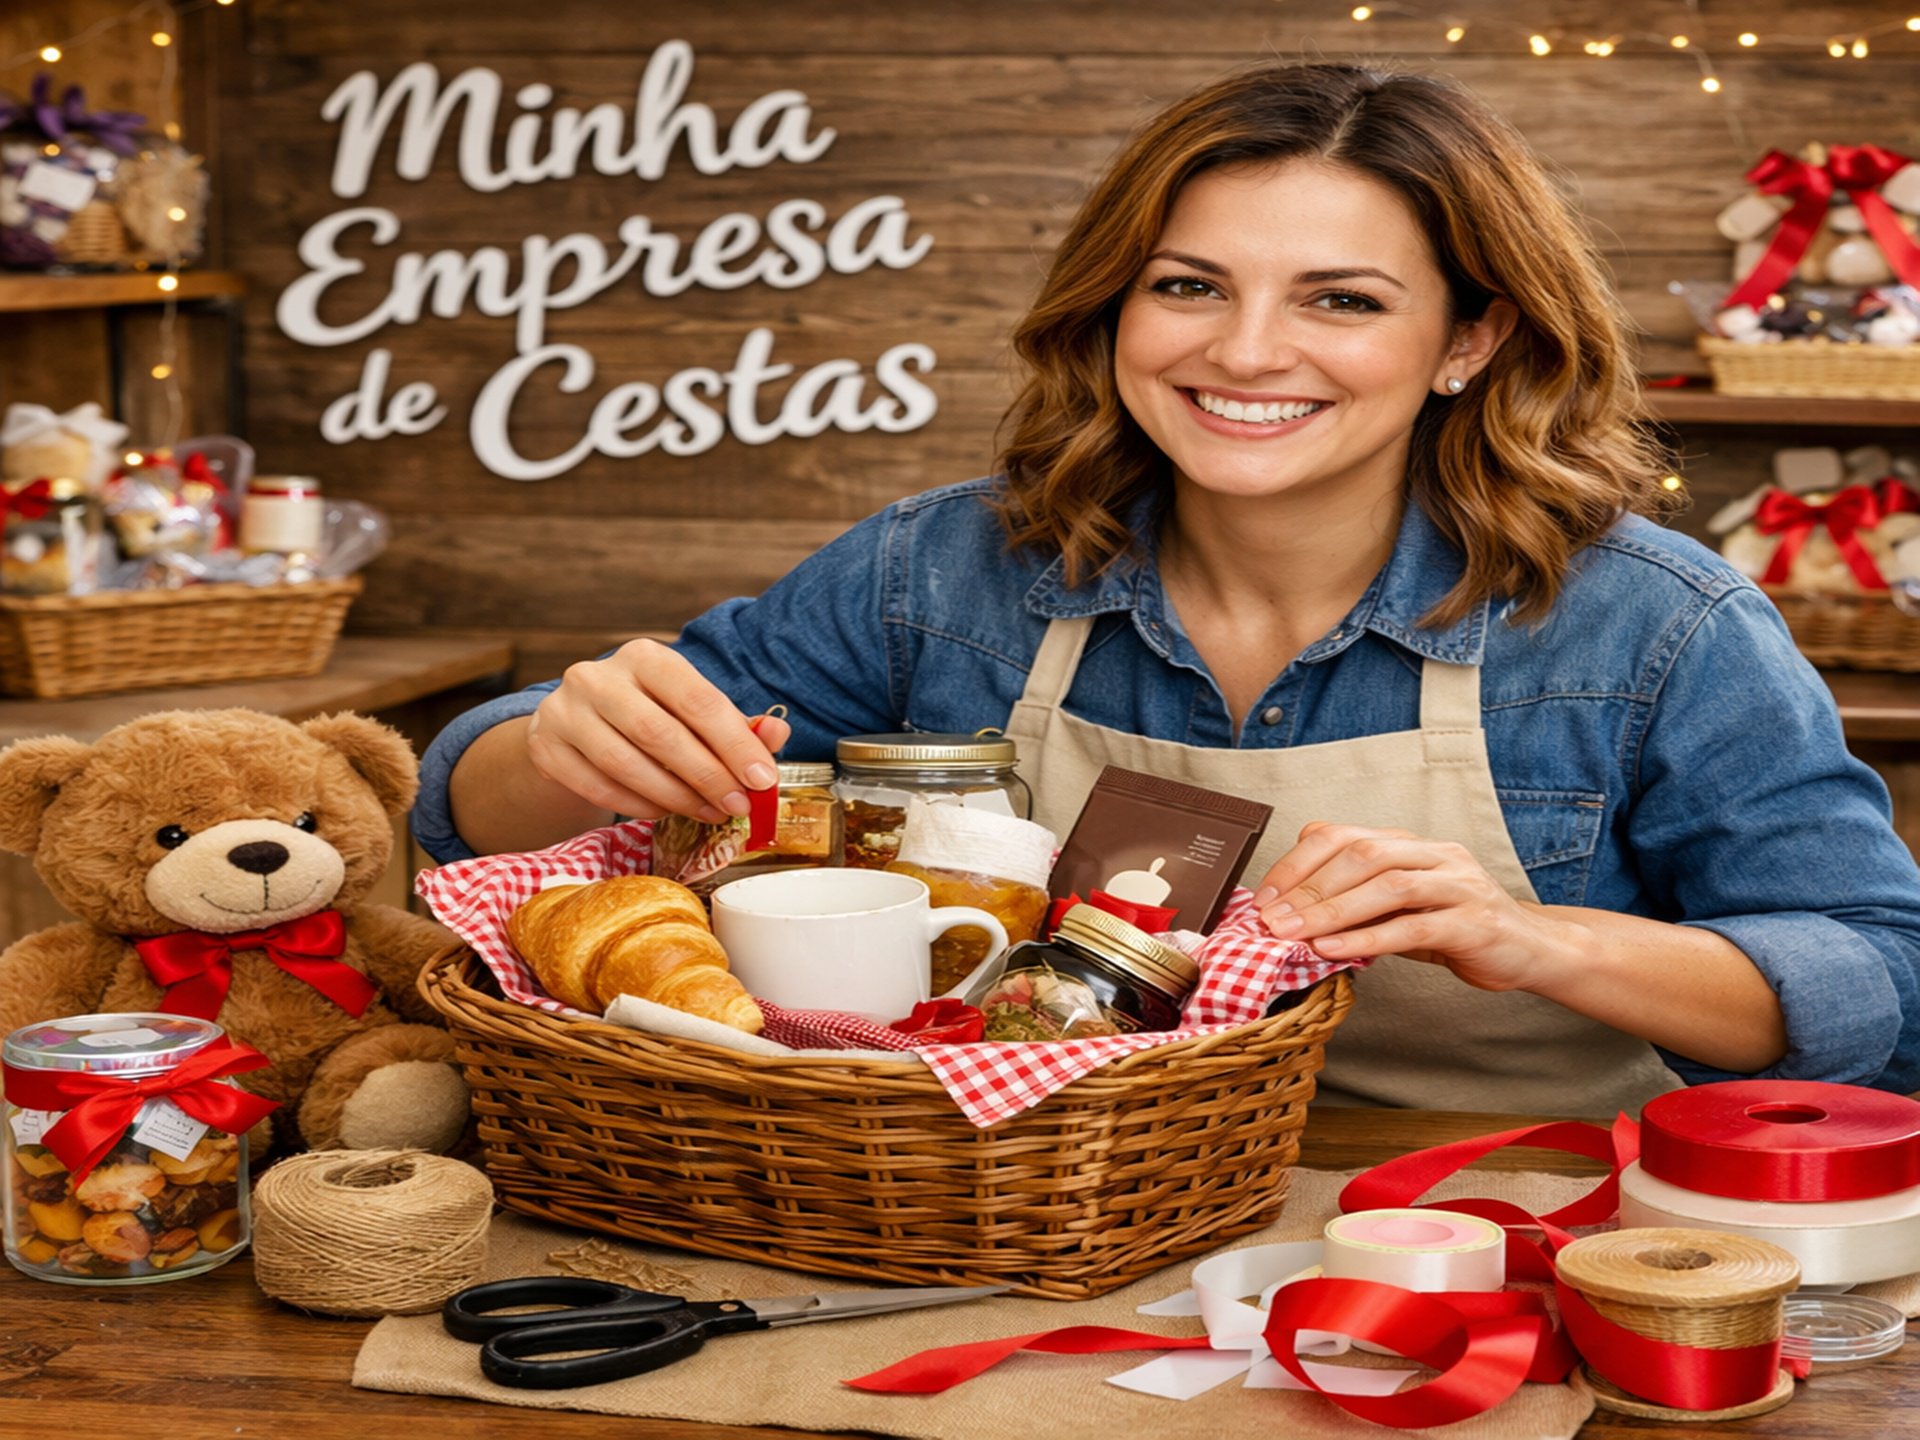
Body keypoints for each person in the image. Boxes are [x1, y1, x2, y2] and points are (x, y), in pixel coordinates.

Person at [414, 61, 1920, 1113]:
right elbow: (462, 812)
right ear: (1118, 305)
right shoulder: (945, 575)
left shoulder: (1653, 626)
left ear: (1468, 343)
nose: (1244, 351)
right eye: (1190, 285)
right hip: (1024, 1215)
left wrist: (1544, 943)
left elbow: (1883, 986)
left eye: (1341, 300)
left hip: (1492, 1237)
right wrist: (549, 745)